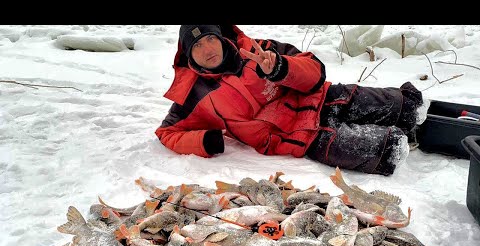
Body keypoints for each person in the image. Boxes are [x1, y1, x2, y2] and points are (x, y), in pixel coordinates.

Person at [155, 25, 428, 176]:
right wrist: (204, 141)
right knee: (387, 150)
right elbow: (166, 132)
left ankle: (422, 120)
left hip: (320, 98)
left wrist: (280, 68)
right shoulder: (195, 93)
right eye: (197, 47)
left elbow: (315, 72)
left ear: (220, 37)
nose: (206, 50)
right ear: (189, 55)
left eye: (209, 39)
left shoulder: (259, 49)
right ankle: (404, 139)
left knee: (402, 105)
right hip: (298, 136)